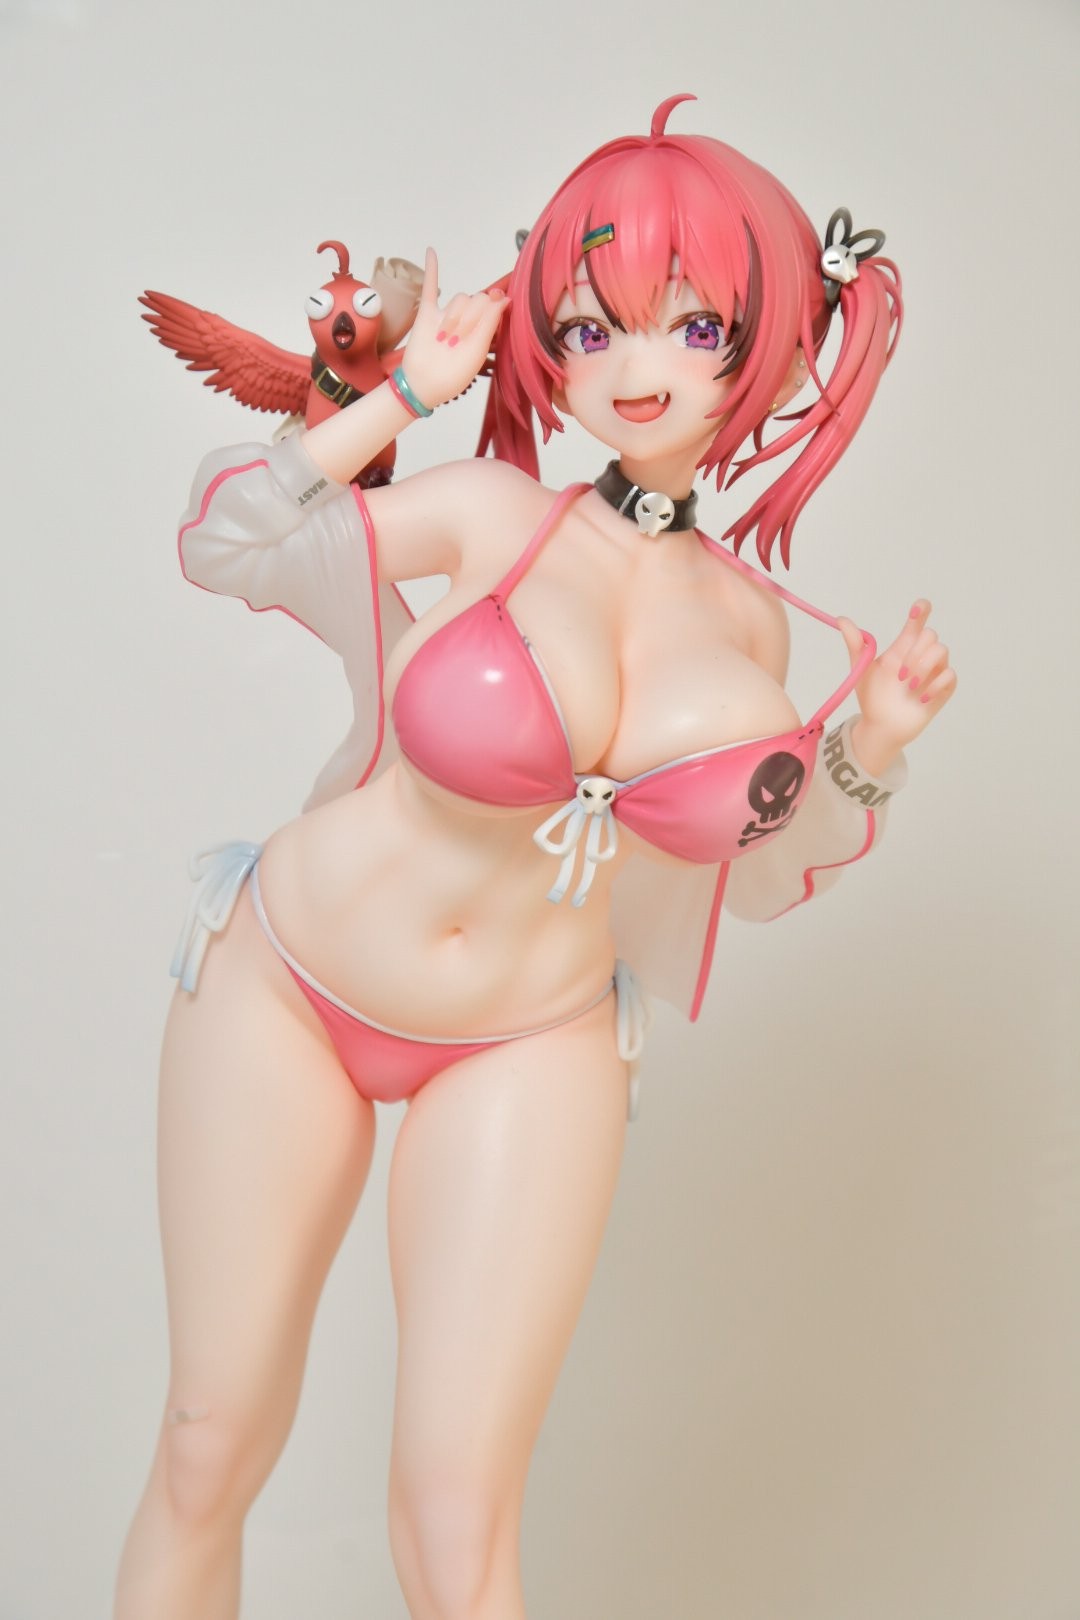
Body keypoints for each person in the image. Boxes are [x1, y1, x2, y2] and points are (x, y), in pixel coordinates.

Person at [114, 93, 955, 1620]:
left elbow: (769, 867)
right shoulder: (492, 513)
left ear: (774, 349)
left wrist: (871, 745)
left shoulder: (759, 628)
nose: (635, 369)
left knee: (458, 1523)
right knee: (205, 1442)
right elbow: (234, 541)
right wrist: (402, 397)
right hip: (293, 979)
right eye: (589, 326)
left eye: (694, 329)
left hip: (532, 1036)